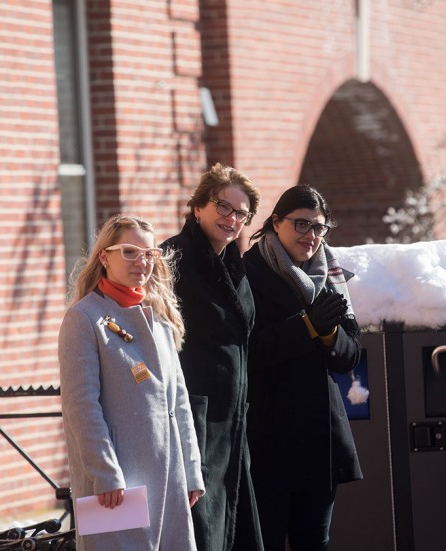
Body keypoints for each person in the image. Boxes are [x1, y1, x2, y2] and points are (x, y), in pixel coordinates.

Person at [58, 214, 205, 551]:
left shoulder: (159, 318)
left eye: (150, 254)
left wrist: (192, 471)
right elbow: (81, 405)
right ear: (104, 256)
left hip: (170, 482)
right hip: (117, 486)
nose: (142, 261)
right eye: (129, 251)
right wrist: (106, 472)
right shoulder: (83, 318)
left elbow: (179, 401)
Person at [243, 185, 363, 550]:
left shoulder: (332, 275)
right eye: (301, 224)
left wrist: (327, 334)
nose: (311, 236)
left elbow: (349, 357)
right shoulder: (247, 272)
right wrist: (306, 327)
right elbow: (249, 352)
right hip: (269, 439)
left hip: (319, 440)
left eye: (319, 228)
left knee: (316, 542)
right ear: (276, 222)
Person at [161, 163, 265, 551]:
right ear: (198, 207)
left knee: (235, 527)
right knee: (203, 530)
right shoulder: (172, 259)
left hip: (232, 421)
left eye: (240, 213)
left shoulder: (233, 263)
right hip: (195, 419)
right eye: (223, 206)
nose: (231, 218)